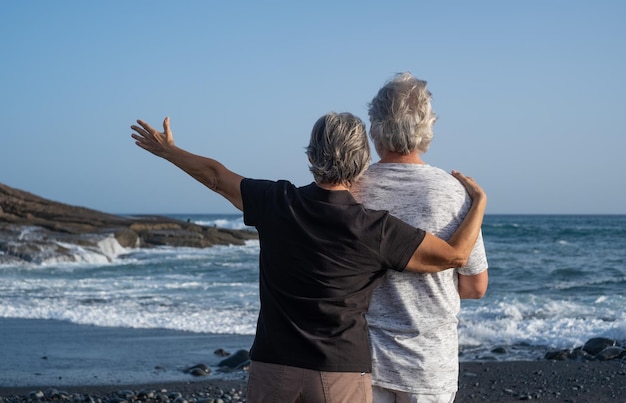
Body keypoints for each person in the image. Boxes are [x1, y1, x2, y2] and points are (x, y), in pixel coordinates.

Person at [130, 111, 487, 403]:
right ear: (363, 163)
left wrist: (168, 151)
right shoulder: (374, 229)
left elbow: (215, 176)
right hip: (341, 372)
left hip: (273, 365)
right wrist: (479, 203)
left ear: (311, 157)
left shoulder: (277, 202)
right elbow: (455, 256)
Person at [351, 72, 489, 403]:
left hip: (363, 360)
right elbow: (475, 287)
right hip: (430, 365)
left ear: (375, 126)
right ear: (427, 126)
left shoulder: (352, 189)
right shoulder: (455, 193)